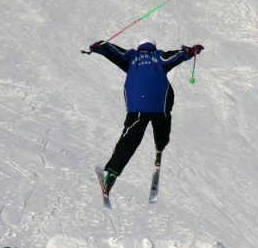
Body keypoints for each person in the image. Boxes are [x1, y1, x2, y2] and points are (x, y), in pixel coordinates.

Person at [86, 38, 200, 196]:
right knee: (163, 121)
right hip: (159, 106)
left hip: (138, 107)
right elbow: (175, 56)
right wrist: (189, 51)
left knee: (129, 139)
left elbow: (113, 51)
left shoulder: (131, 57)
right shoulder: (159, 56)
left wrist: (99, 47)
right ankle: (160, 147)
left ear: (140, 46)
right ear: (153, 46)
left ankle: (112, 173)